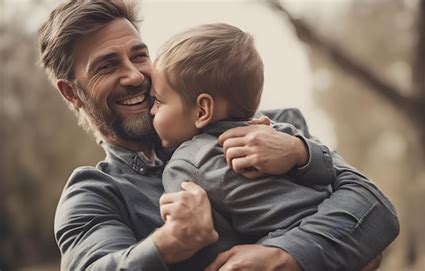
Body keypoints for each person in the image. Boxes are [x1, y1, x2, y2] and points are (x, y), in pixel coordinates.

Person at [38, 1, 399, 270]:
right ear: (71, 93)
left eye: (139, 55)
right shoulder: (92, 197)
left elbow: (375, 210)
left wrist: (284, 256)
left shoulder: (274, 129)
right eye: (107, 65)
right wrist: (168, 244)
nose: (134, 76)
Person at [150, 23, 338, 269]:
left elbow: (195, 247)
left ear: (203, 110)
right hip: (332, 234)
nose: (151, 110)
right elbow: (329, 171)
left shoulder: (186, 165)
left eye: (158, 102)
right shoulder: (278, 133)